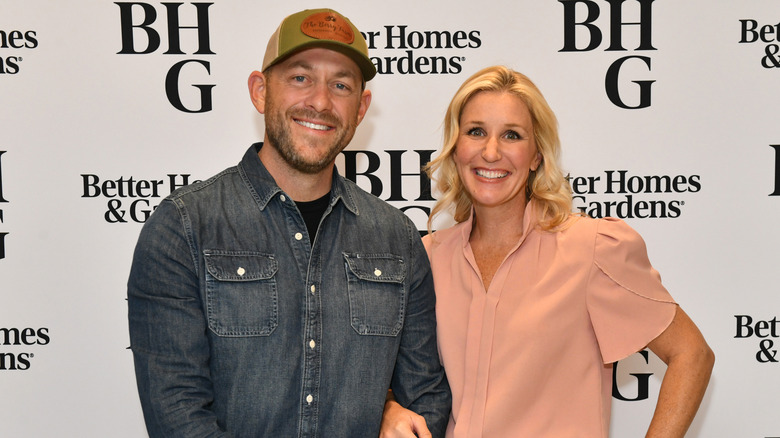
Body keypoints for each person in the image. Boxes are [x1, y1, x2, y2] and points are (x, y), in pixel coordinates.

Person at [127, 8, 450, 437]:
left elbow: (424, 397)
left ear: (360, 108)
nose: (320, 101)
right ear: (260, 92)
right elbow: (177, 414)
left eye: (340, 85)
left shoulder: (397, 238)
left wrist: (393, 411)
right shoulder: (184, 228)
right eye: (300, 78)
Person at [416, 65, 714, 437]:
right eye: (476, 132)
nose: (491, 152)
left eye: (512, 135)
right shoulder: (428, 258)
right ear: (456, 148)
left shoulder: (590, 248)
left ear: (537, 155)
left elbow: (692, 355)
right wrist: (390, 409)